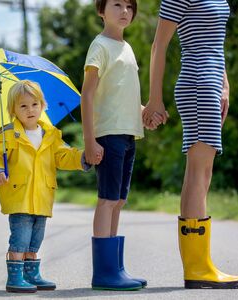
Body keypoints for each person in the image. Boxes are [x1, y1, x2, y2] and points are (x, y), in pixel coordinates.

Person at [143, 0, 238, 289]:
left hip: (211, 84)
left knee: (201, 172)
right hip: (198, 82)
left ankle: (199, 265)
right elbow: (158, 45)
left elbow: (216, 44)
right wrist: (154, 99)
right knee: (199, 172)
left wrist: (225, 87)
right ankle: (198, 268)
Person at [80, 0, 164, 291]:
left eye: (129, 5)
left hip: (128, 135)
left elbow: (121, 95)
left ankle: (115, 267)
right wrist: (89, 140)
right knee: (107, 200)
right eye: (116, 4)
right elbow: (87, 95)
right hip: (108, 136)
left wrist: (144, 112)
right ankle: (103, 272)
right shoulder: (99, 46)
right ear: (101, 11)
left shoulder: (126, 49)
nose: (125, 11)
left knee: (119, 200)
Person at [0, 80, 89, 293]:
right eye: (23, 106)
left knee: (36, 238)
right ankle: (15, 276)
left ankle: (31, 273)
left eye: (34, 104)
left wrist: (82, 158)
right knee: (20, 237)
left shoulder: (50, 134)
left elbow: (63, 156)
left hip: (42, 195)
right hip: (19, 194)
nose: (30, 110)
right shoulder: (6, 135)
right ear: (13, 110)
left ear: (43, 105)